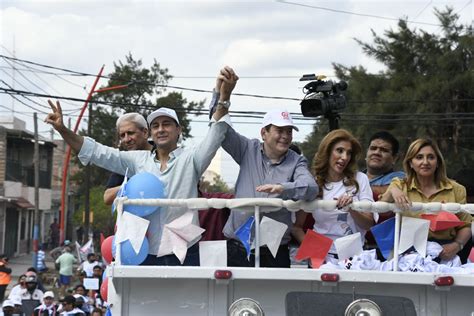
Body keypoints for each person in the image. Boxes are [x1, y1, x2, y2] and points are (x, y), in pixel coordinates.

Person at [45, 66, 238, 266]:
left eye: (167, 124)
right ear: (150, 133)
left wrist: (224, 97)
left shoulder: (191, 158)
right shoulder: (138, 160)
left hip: (187, 252)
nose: (161, 129)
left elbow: (216, 133)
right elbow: (97, 152)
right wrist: (63, 130)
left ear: (179, 130)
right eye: (156, 125)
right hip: (145, 252)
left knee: (188, 298)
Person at [212, 87, 318, 267]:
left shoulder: (297, 160)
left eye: (289, 131)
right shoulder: (247, 149)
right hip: (238, 247)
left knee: (275, 296)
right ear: (264, 133)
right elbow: (222, 131)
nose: (285, 136)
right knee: (233, 296)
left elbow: (311, 187)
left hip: (275, 250)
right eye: (280, 130)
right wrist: (222, 96)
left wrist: (284, 188)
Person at [381, 138, 472, 262]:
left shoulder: (457, 189)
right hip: (406, 253)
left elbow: (466, 225)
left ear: (438, 162)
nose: (425, 162)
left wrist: (457, 245)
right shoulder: (399, 185)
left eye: (430, 157)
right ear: (410, 163)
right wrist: (392, 190)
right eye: (419, 157)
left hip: (443, 253)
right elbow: (379, 211)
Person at [293, 129, 376, 260]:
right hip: (321, 260)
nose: (345, 157)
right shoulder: (313, 184)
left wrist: (351, 208)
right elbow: (296, 227)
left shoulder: (360, 179)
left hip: (355, 259)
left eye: (349, 153)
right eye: (340, 151)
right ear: (327, 151)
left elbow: (368, 224)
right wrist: (314, 254)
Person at [103, 113, 153, 206]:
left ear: (145, 133)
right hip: (135, 218)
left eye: (130, 133)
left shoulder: (163, 153)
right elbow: (107, 197)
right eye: (122, 135)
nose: (126, 139)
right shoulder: (125, 160)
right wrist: (132, 185)